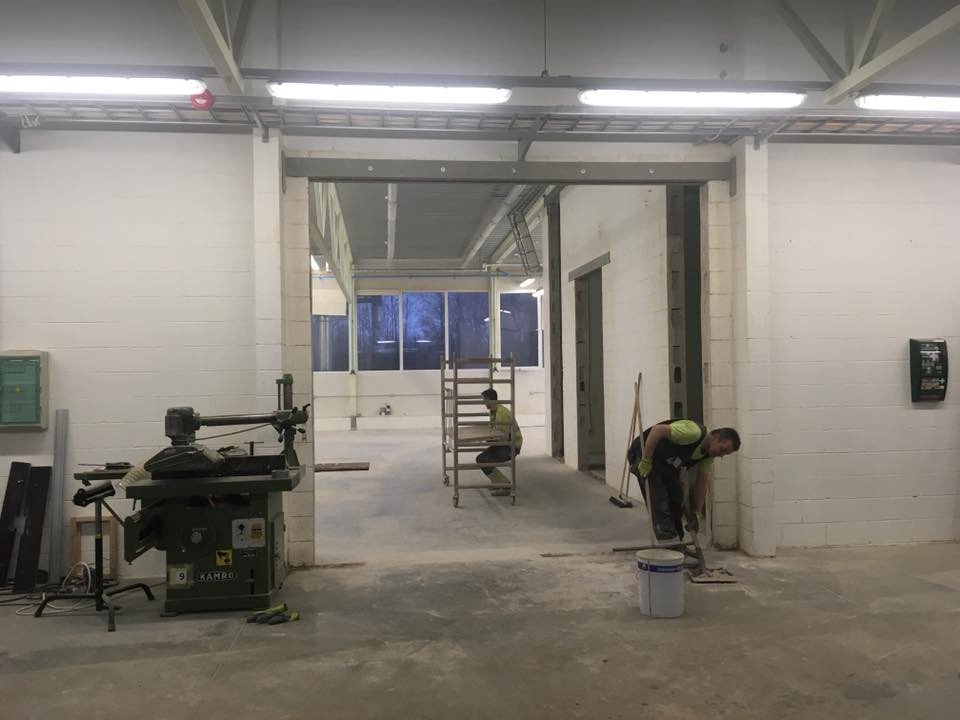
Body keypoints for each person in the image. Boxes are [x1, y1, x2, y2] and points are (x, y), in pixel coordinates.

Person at [627, 419, 740, 541]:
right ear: (715, 437)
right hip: (644, 451)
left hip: (665, 462)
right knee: (659, 499)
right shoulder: (693, 433)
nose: (721, 455)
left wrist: (697, 513)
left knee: (677, 498)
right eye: (722, 449)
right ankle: (668, 541)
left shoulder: (707, 456)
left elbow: (701, 483)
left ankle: (678, 541)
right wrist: (646, 460)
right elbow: (657, 430)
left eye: (725, 454)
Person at [477, 388, 522, 495]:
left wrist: (485, 438)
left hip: (511, 446)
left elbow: (502, 437)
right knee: (482, 459)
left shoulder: (501, 413)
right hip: (505, 444)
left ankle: (505, 485)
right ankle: (498, 482)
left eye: (484, 400)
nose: (483, 402)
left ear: (489, 400)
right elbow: (493, 431)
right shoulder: (494, 411)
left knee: (483, 459)